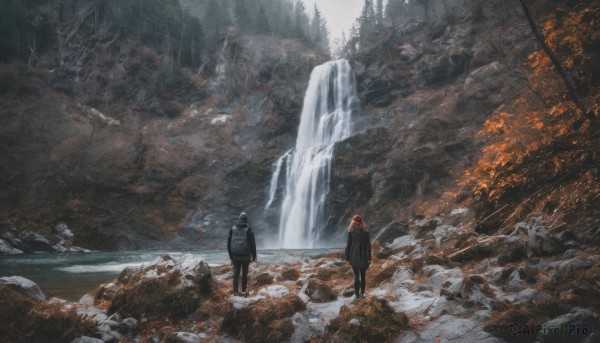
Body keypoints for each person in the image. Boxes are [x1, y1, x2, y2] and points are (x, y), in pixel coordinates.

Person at [227, 212, 257, 297]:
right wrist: (254, 256)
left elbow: (228, 244)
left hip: (235, 256)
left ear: (239, 219)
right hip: (246, 256)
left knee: (236, 274)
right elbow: (252, 245)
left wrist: (231, 257)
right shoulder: (249, 229)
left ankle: (235, 292)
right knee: (244, 274)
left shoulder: (232, 229)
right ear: (246, 220)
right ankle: (243, 291)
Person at [345, 214, 371, 299]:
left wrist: (347, 256)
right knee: (363, 275)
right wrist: (369, 258)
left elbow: (348, 245)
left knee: (356, 276)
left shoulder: (351, 233)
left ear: (353, 223)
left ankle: (356, 295)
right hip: (363, 258)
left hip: (354, 257)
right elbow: (368, 247)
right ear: (361, 223)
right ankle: (363, 293)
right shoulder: (366, 233)